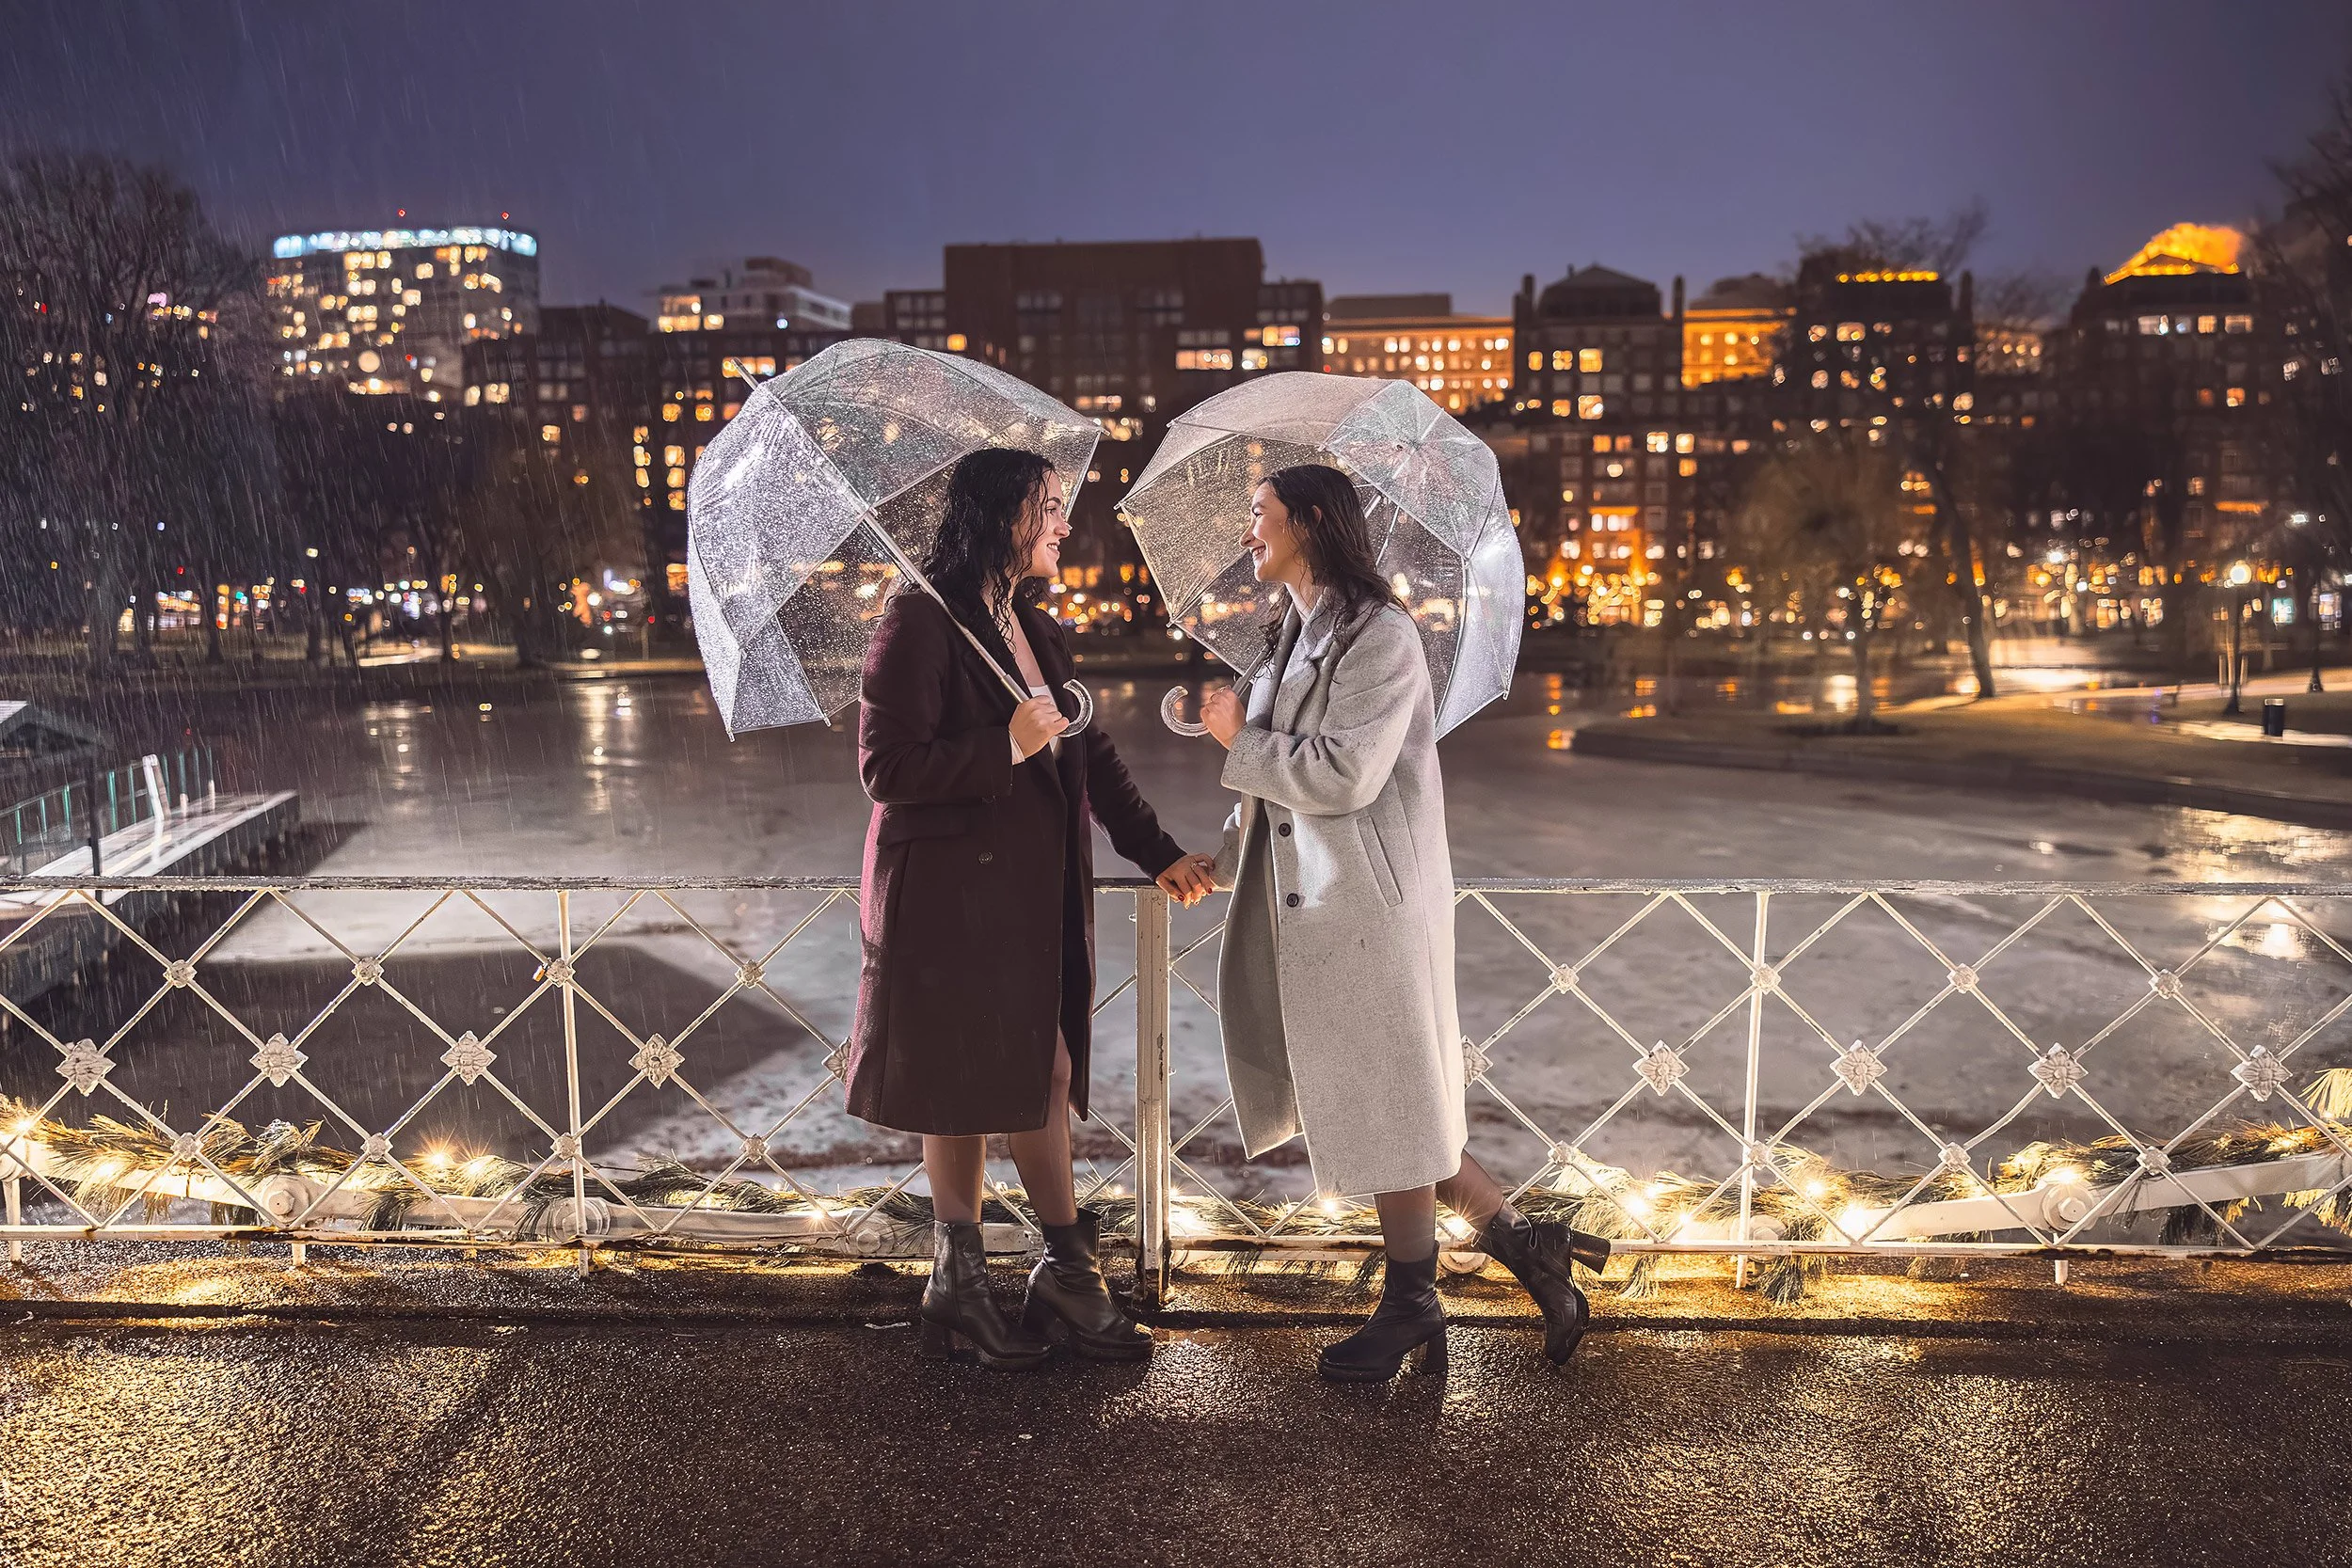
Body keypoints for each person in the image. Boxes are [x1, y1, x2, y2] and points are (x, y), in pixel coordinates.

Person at [1195, 464, 1609, 1383]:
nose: (1247, 532)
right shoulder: (1290, 635)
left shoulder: (1380, 636)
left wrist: (1237, 739)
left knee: (1389, 1108)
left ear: (1307, 521)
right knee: (1397, 1110)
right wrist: (1214, 864)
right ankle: (1523, 1247)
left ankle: (1414, 1300)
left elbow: (1342, 775)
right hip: (1317, 911)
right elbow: (1271, 798)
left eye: (1259, 515)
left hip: (1370, 913)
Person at [850, 448, 1216, 1370]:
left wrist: (1160, 852)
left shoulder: (1035, 632)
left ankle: (970, 1280)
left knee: (1015, 1077)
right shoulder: (919, 623)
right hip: (946, 900)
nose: (1062, 523)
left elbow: (1094, 768)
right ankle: (1046, 1269)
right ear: (1003, 515)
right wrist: (1001, 745)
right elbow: (885, 770)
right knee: (995, 1078)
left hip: (1024, 900)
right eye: (1049, 507)